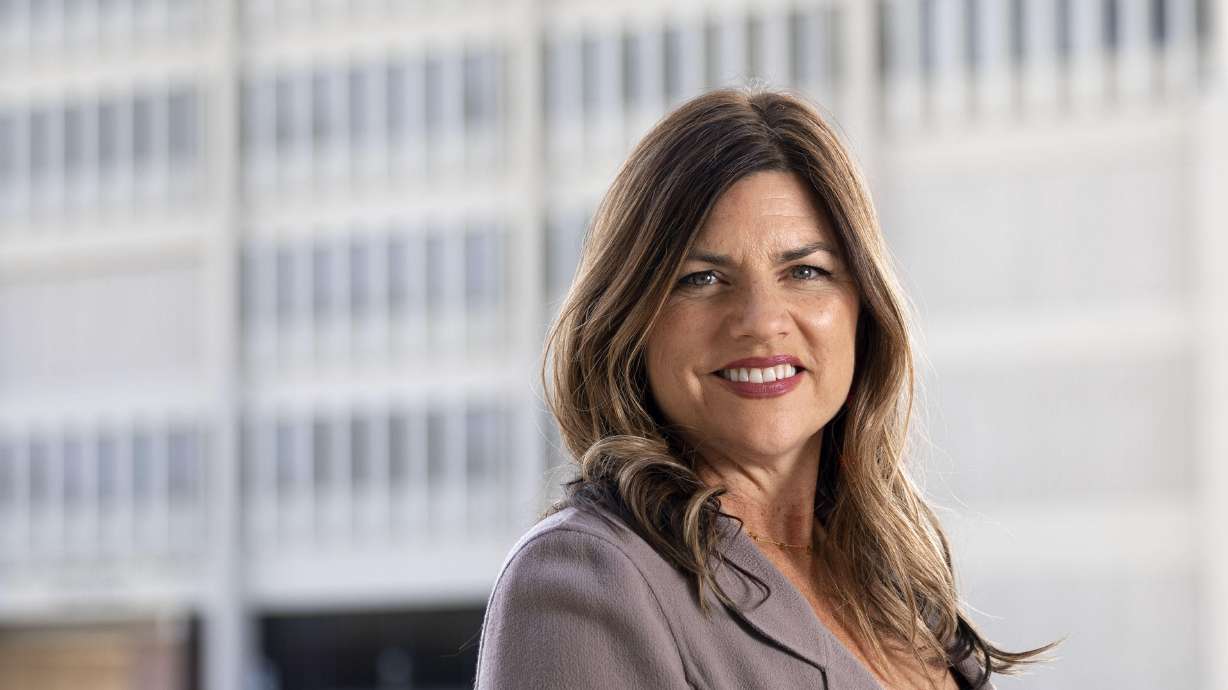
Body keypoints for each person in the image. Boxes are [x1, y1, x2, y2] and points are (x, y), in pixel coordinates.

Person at [475, 88, 1059, 689]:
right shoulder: (583, 581)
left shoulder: (892, 589)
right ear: (633, 320)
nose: (760, 319)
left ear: (862, 307)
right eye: (701, 278)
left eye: (805, 271)